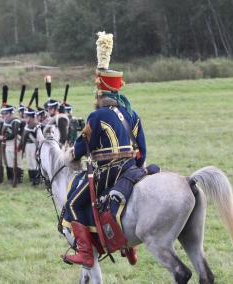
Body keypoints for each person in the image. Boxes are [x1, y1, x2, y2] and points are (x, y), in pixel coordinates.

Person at [61, 32, 146, 268]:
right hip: (132, 171)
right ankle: (130, 246)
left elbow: (82, 146)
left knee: (73, 204)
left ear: (102, 93)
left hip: (109, 173)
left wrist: (72, 156)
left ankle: (86, 253)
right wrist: (134, 169)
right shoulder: (132, 114)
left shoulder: (97, 115)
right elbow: (143, 149)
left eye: (97, 92)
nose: (95, 96)